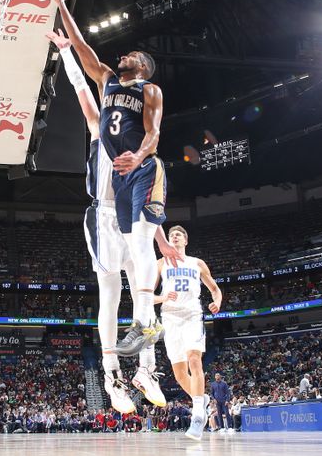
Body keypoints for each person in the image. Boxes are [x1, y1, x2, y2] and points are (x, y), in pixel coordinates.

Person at [44, 28, 182, 411]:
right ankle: (111, 376)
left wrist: (161, 241)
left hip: (131, 213)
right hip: (103, 216)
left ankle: (147, 368)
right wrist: (67, 52)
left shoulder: (137, 131)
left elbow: (146, 215)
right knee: (111, 293)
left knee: (144, 279)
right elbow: (81, 89)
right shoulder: (98, 126)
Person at [153, 225, 223, 440]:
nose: (174, 236)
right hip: (170, 317)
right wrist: (163, 297)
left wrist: (217, 302)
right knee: (179, 373)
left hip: (192, 314)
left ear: (185, 240)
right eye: (171, 234)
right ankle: (201, 399)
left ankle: (198, 414)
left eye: (178, 235)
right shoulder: (160, 264)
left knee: (194, 359)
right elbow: (145, 296)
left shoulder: (197, 263)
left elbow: (214, 289)